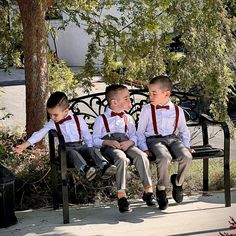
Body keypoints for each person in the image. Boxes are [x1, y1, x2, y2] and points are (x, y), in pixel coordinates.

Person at [14, 91, 116, 181]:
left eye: (55, 115)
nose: (52, 117)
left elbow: (87, 137)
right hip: (65, 150)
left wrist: (92, 150)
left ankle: (105, 166)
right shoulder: (53, 123)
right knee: (73, 153)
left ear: (66, 111)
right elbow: (39, 134)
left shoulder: (78, 120)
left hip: (80, 146)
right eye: (50, 114)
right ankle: (85, 169)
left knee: (91, 150)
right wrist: (24, 145)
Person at [93, 84, 156, 213]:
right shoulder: (101, 119)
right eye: (126, 98)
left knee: (141, 156)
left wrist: (130, 142)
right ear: (114, 102)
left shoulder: (128, 118)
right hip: (111, 147)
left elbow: (134, 135)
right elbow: (94, 140)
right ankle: (122, 196)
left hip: (127, 144)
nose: (129, 101)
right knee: (122, 159)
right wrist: (107, 142)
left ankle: (148, 191)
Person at [137, 75, 193, 210]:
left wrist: (186, 146)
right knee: (164, 157)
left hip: (173, 139)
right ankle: (161, 190)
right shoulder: (146, 110)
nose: (150, 96)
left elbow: (184, 131)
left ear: (166, 94)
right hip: (154, 140)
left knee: (187, 157)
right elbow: (139, 132)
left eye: (154, 93)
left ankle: (178, 183)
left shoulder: (177, 110)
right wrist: (144, 148)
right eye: (149, 92)